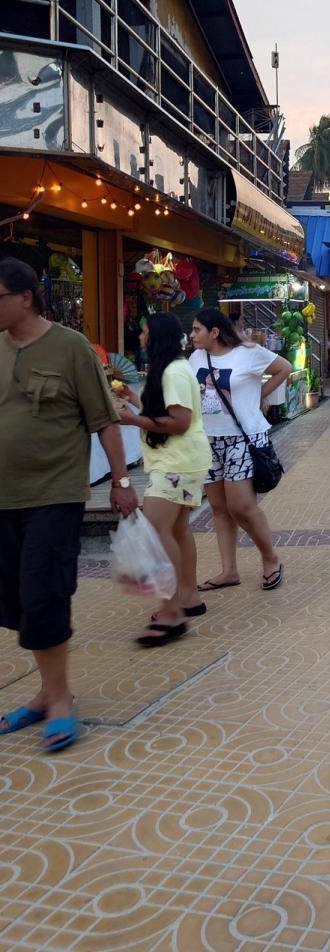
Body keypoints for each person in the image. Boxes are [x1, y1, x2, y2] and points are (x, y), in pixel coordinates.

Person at [0, 258, 138, 752]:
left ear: (26, 297)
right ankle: (45, 693)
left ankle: (60, 700)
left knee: (44, 594)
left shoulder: (71, 347)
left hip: (54, 495)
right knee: (18, 600)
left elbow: (104, 420)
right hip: (4, 498)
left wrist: (121, 481)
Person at [115, 314, 212, 646]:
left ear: (158, 337)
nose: (141, 337)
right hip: (179, 461)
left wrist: (133, 420)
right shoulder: (172, 369)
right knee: (177, 529)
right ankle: (188, 597)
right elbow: (165, 411)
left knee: (157, 530)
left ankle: (172, 613)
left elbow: (179, 422)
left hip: (177, 463)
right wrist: (134, 401)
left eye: (145, 332)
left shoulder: (174, 371)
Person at [189, 308, 292, 592]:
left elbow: (284, 368)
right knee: (219, 508)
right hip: (209, 439)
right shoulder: (196, 357)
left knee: (241, 506)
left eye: (197, 329)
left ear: (214, 332)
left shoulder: (248, 352)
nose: (192, 335)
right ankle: (229, 571)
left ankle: (270, 558)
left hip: (242, 438)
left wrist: (259, 394)